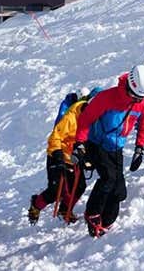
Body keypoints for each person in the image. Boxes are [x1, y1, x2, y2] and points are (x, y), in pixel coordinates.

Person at [72, 65, 144, 237]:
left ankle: (107, 222)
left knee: (119, 192)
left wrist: (140, 147)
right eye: (136, 96)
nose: (138, 101)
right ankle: (92, 213)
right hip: (96, 144)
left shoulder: (142, 102)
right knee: (108, 179)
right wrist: (79, 143)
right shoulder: (106, 98)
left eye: (141, 98)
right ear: (129, 86)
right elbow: (86, 119)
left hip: (116, 147)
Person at [28, 87, 103, 225]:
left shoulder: (97, 119)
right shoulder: (71, 116)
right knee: (56, 190)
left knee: (80, 187)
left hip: (75, 157)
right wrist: (58, 156)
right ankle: (36, 205)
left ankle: (65, 209)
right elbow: (55, 136)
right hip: (58, 154)